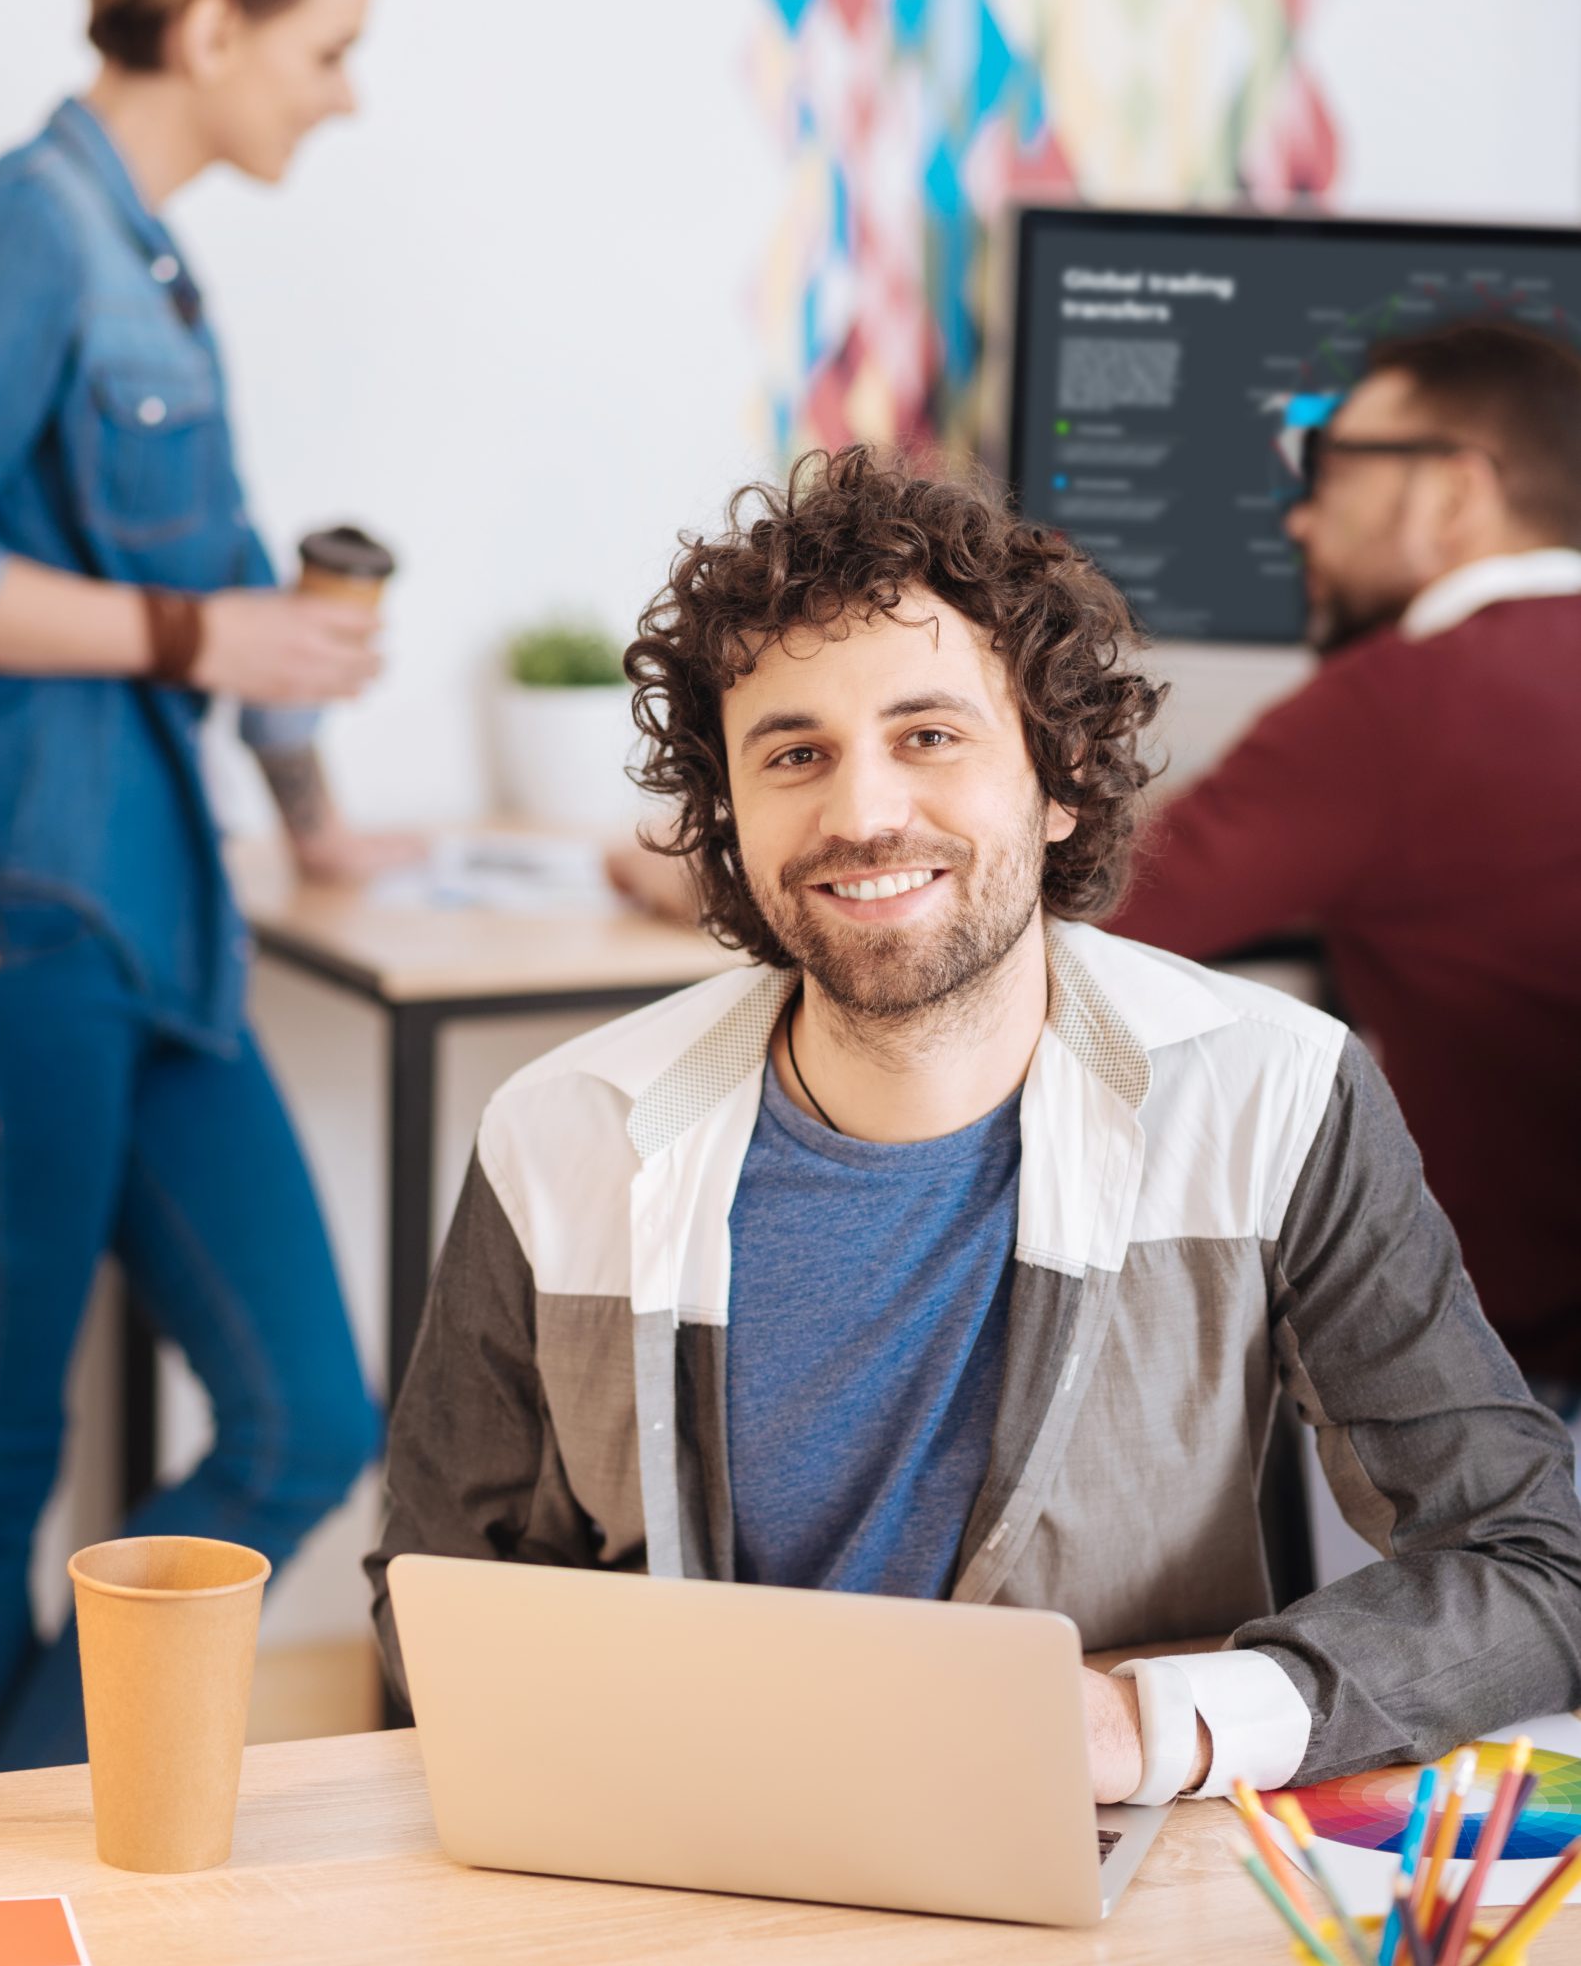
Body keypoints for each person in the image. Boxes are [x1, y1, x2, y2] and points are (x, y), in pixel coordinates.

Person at [367, 445, 1581, 1806]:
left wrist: (1147, 1722)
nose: (864, 812)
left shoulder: (1273, 1095)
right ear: (726, 818)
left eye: (929, 736)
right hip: (681, 1849)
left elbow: (1532, 1565)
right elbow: (430, 1608)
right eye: (794, 754)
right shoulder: (564, 1130)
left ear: (1059, 780)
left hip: (1106, 1848)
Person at [0, 0, 418, 1777]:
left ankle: (12, 1813)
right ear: (208, 22)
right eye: (324, 46)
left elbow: (216, 574)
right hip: (4, 923)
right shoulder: (24, 227)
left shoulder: (149, 264)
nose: (342, 93)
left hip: (160, 920)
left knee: (311, 1415)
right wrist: (201, 641)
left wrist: (319, 801)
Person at [1111, 321, 1581, 1422]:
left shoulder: (1403, 703)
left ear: (1453, 493)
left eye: (1332, 472)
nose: (1296, 517)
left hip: (1531, 1389)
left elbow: (1088, 903)